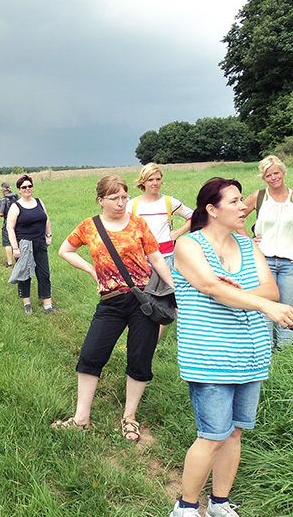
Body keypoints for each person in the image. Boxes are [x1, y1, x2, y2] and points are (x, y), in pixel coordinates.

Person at [169, 177, 293, 517]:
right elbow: (210, 286)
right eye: (234, 201)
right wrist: (256, 302)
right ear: (211, 210)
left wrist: (238, 293)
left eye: (242, 200)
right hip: (209, 355)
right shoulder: (189, 246)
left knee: (234, 435)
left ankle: (220, 503)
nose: (244, 207)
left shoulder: (247, 245)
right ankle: (185, 508)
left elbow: (271, 289)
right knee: (212, 435)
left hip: (252, 352)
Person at [54, 175, 173, 441]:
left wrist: (175, 288)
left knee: (140, 358)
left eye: (124, 197)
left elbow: (157, 259)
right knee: (90, 356)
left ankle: (130, 418)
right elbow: (65, 250)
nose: (121, 203)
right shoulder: (89, 227)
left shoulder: (138, 224)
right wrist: (91, 270)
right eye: (114, 198)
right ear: (101, 200)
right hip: (110, 302)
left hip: (144, 300)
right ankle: (80, 418)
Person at [240, 155, 293, 349]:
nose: (273, 178)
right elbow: (236, 217)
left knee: (288, 308)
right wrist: (249, 242)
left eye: (276, 173)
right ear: (263, 178)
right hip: (263, 261)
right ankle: (266, 350)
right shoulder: (258, 197)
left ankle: (285, 350)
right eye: (268, 175)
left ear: (283, 172)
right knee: (264, 308)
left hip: (291, 263)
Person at [6, 174, 55, 314]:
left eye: (30, 186)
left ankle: (48, 305)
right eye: (24, 187)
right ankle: (27, 303)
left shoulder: (39, 202)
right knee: (25, 274)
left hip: (40, 243)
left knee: (44, 273)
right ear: (19, 190)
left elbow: (46, 219)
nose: (27, 189)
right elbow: (10, 228)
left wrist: (48, 235)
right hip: (24, 245)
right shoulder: (16, 206)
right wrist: (15, 247)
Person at [130, 163, 193, 269]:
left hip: (167, 257)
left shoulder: (169, 202)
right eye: (150, 180)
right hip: (142, 259)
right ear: (143, 182)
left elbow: (194, 216)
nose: (155, 183)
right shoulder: (132, 205)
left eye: (158, 179)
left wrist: (178, 233)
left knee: (168, 286)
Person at [0, 182, 19, 268]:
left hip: (8, 221)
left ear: (3, 190)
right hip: (18, 221)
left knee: (7, 242)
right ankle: (19, 262)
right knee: (17, 241)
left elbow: (1, 213)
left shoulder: (4, 200)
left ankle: (10, 263)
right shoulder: (17, 197)